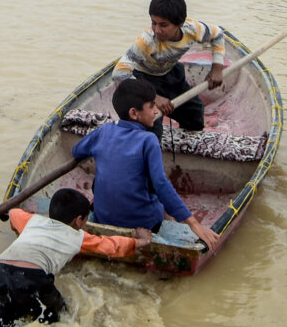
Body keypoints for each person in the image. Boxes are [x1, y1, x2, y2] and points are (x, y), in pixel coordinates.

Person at [0, 188, 150, 327]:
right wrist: (140, 241)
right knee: (62, 323)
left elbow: (14, 214)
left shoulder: (32, 221)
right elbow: (111, 246)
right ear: (78, 221)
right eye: (85, 221)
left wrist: (9, 216)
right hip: (33, 279)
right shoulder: (76, 236)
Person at [72, 78, 222, 251]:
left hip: (103, 218)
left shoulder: (104, 130)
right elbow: (161, 184)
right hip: (143, 225)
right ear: (134, 113)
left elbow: (77, 151)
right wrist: (193, 223)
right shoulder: (148, 140)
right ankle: (169, 222)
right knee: (161, 200)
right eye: (151, 106)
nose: (156, 111)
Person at [113, 0, 227, 136]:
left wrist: (217, 68)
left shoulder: (193, 29)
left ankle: (189, 147)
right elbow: (119, 73)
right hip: (143, 80)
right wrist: (153, 97)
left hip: (170, 74)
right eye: (154, 23)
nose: (157, 30)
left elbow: (217, 34)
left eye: (163, 25)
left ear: (179, 23)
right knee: (152, 122)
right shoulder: (147, 41)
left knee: (195, 111)